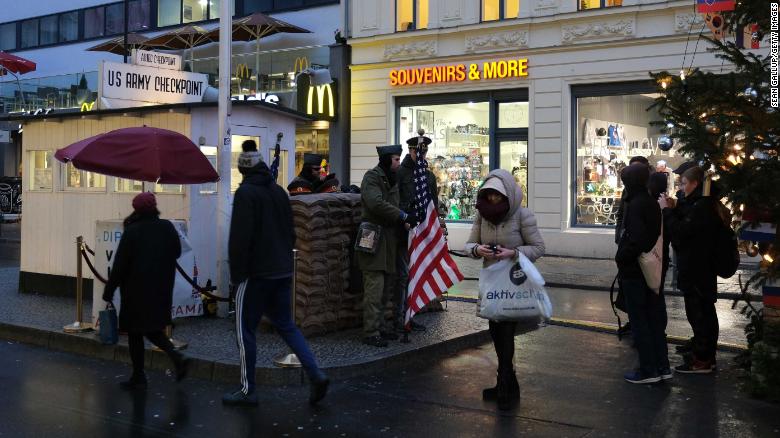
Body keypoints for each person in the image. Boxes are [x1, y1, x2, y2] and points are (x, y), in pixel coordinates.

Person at [222, 149, 329, 406]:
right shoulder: (279, 191)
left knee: (245, 329)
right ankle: (315, 374)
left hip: (256, 274)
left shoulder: (246, 193)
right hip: (282, 270)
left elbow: (240, 238)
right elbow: (291, 232)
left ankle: (248, 390)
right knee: (287, 325)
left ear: (243, 170)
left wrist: (237, 276)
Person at [465, 169, 545, 410]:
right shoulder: (482, 216)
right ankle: (511, 382)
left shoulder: (522, 215)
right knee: (494, 328)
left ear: (508, 194)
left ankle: (504, 382)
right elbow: (470, 243)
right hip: (491, 280)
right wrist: (478, 250)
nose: (492, 201)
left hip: (513, 279)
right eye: (488, 196)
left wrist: (514, 253)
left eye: (497, 197)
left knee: (506, 332)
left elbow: (539, 247)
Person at [103, 192, 190, 390]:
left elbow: (119, 266)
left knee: (136, 332)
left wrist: (109, 291)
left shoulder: (132, 231)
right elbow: (176, 252)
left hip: (135, 290)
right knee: (152, 329)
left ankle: (139, 375)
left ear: (137, 209)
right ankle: (175, 357)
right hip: (161, 288)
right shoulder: (167, 227)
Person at [660, 166, 720, 373]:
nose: (681, 188)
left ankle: (702, 360)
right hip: (698, 267)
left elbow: (681, 232)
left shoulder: (702, 206)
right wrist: (675, 208)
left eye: (684, 183)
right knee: (702, 312)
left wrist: (667, 211)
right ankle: (703, 354)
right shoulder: (699, 203)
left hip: (697, 268)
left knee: (700, 313)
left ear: (695, 183)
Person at [356, 145, 417, 347]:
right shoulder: (372, 177)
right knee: (375, 287)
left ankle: (381, 327)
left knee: (386, 289)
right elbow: (375, 203)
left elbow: (396, 204)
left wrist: (407, 217)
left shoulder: (393, 179)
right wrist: (401, 216)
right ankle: (371, 332)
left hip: (390, 238)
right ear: (386, 159)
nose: (399, 163)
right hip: (373, 237)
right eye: (396, 159)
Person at [615, 163, 669, 384]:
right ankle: (662, 365)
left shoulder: (636, 205)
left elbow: (637, 240)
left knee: (640, 321)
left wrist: (622, 257)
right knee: (654, 319)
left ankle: (648, 369)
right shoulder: (651, 203)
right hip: (651, 270)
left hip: (636, 271)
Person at [396, 132, 439, 332]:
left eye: (424, 152)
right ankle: (399, 319)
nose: (422, 155)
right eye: (419, 151)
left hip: (423, 230)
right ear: (411, 150)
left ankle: (411, 315)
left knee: (416, 275)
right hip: (404, 230)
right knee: (403, 276)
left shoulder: (428, 176)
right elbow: (395, 201)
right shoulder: (400, 173)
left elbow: (433, 204)